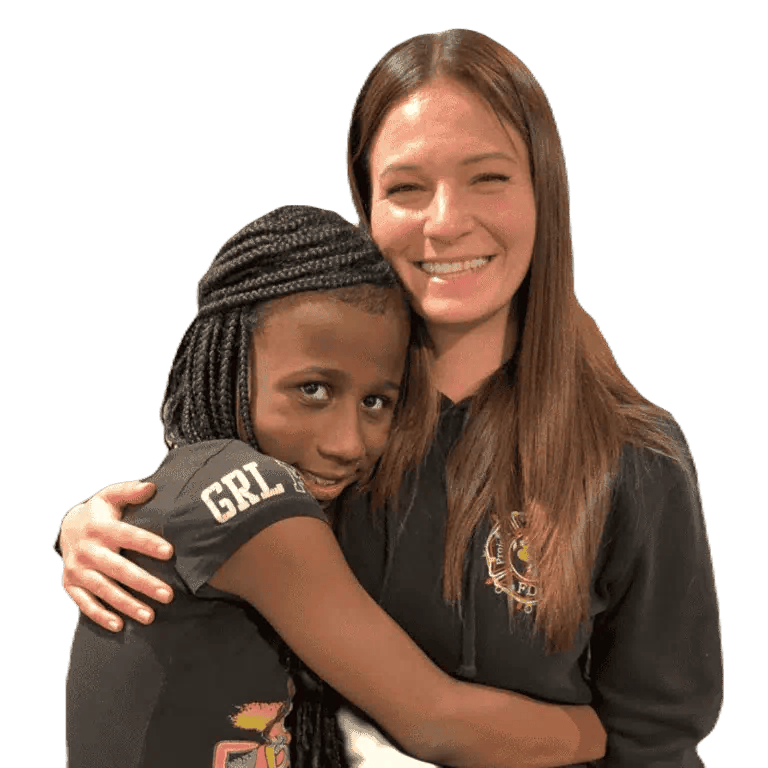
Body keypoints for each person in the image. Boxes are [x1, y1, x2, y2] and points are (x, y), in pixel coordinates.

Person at [57, 29, 723, 767]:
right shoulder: (331, 437)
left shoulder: (637, 458)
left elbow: (656, 735)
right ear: (365, 206)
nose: (446, 221)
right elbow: (212, 511)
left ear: (546, 193)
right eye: (407, 187)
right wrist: (100, 525)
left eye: (489, 178)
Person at [63, 203, 606, 768]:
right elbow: (436, 720)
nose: (348, 442)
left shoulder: (201, 483)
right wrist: (605, 730)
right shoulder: (253, 494)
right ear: (229, 363)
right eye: (313, 391)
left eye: (376, 402)